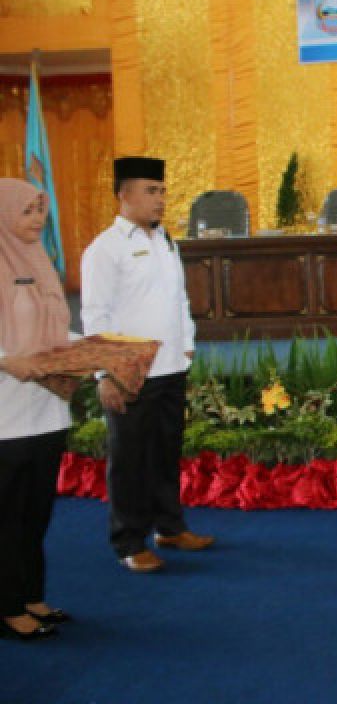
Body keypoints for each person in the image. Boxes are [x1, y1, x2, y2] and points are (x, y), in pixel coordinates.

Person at [81, 156, 213, 573]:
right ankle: (128, 541)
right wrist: (106, 373)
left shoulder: (165, 241)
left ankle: (170, 526)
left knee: (164, 451)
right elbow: (95, 315)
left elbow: (180, 300)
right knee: (130, 459)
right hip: (130, 373)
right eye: (151, 191)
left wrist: (187, 343)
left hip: (171, 365)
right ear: (124, 195)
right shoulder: (105, 249)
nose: (160, 200)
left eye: (162, 191)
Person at [0, 180, 71, 641]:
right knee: (5, 516)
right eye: (28, 211)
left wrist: (95, 352)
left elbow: (58, 331)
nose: (37, 220)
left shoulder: (41, 260)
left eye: (41, 210)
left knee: (35, 513)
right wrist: (7, 360)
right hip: (4, 416)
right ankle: (6, 607)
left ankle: (31, 595)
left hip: (47, 410)